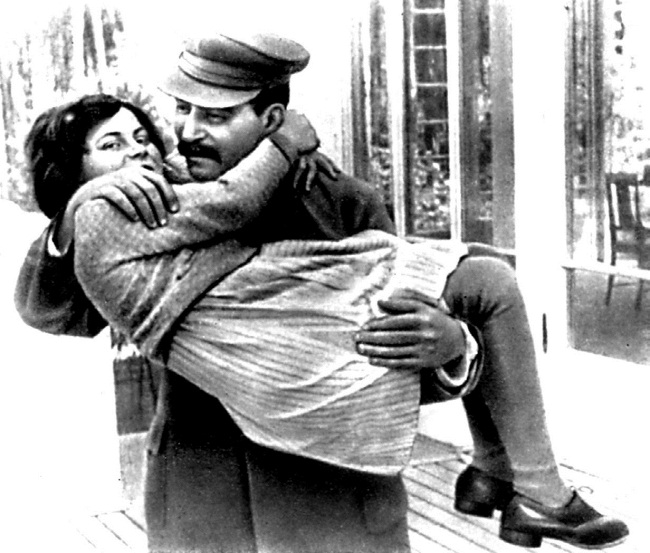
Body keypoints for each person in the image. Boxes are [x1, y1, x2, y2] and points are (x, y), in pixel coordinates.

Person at [14, 30, 629, 553]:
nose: (187, 132)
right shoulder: (143, 205)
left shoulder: (343, 202)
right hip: (201, 501)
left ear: (272, 123)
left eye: (217, 117)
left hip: (332, 506)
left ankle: (513, 479)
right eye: (183, 111)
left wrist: (456, 352)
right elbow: (51, 313)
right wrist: (72, 217)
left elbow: (384, 367)